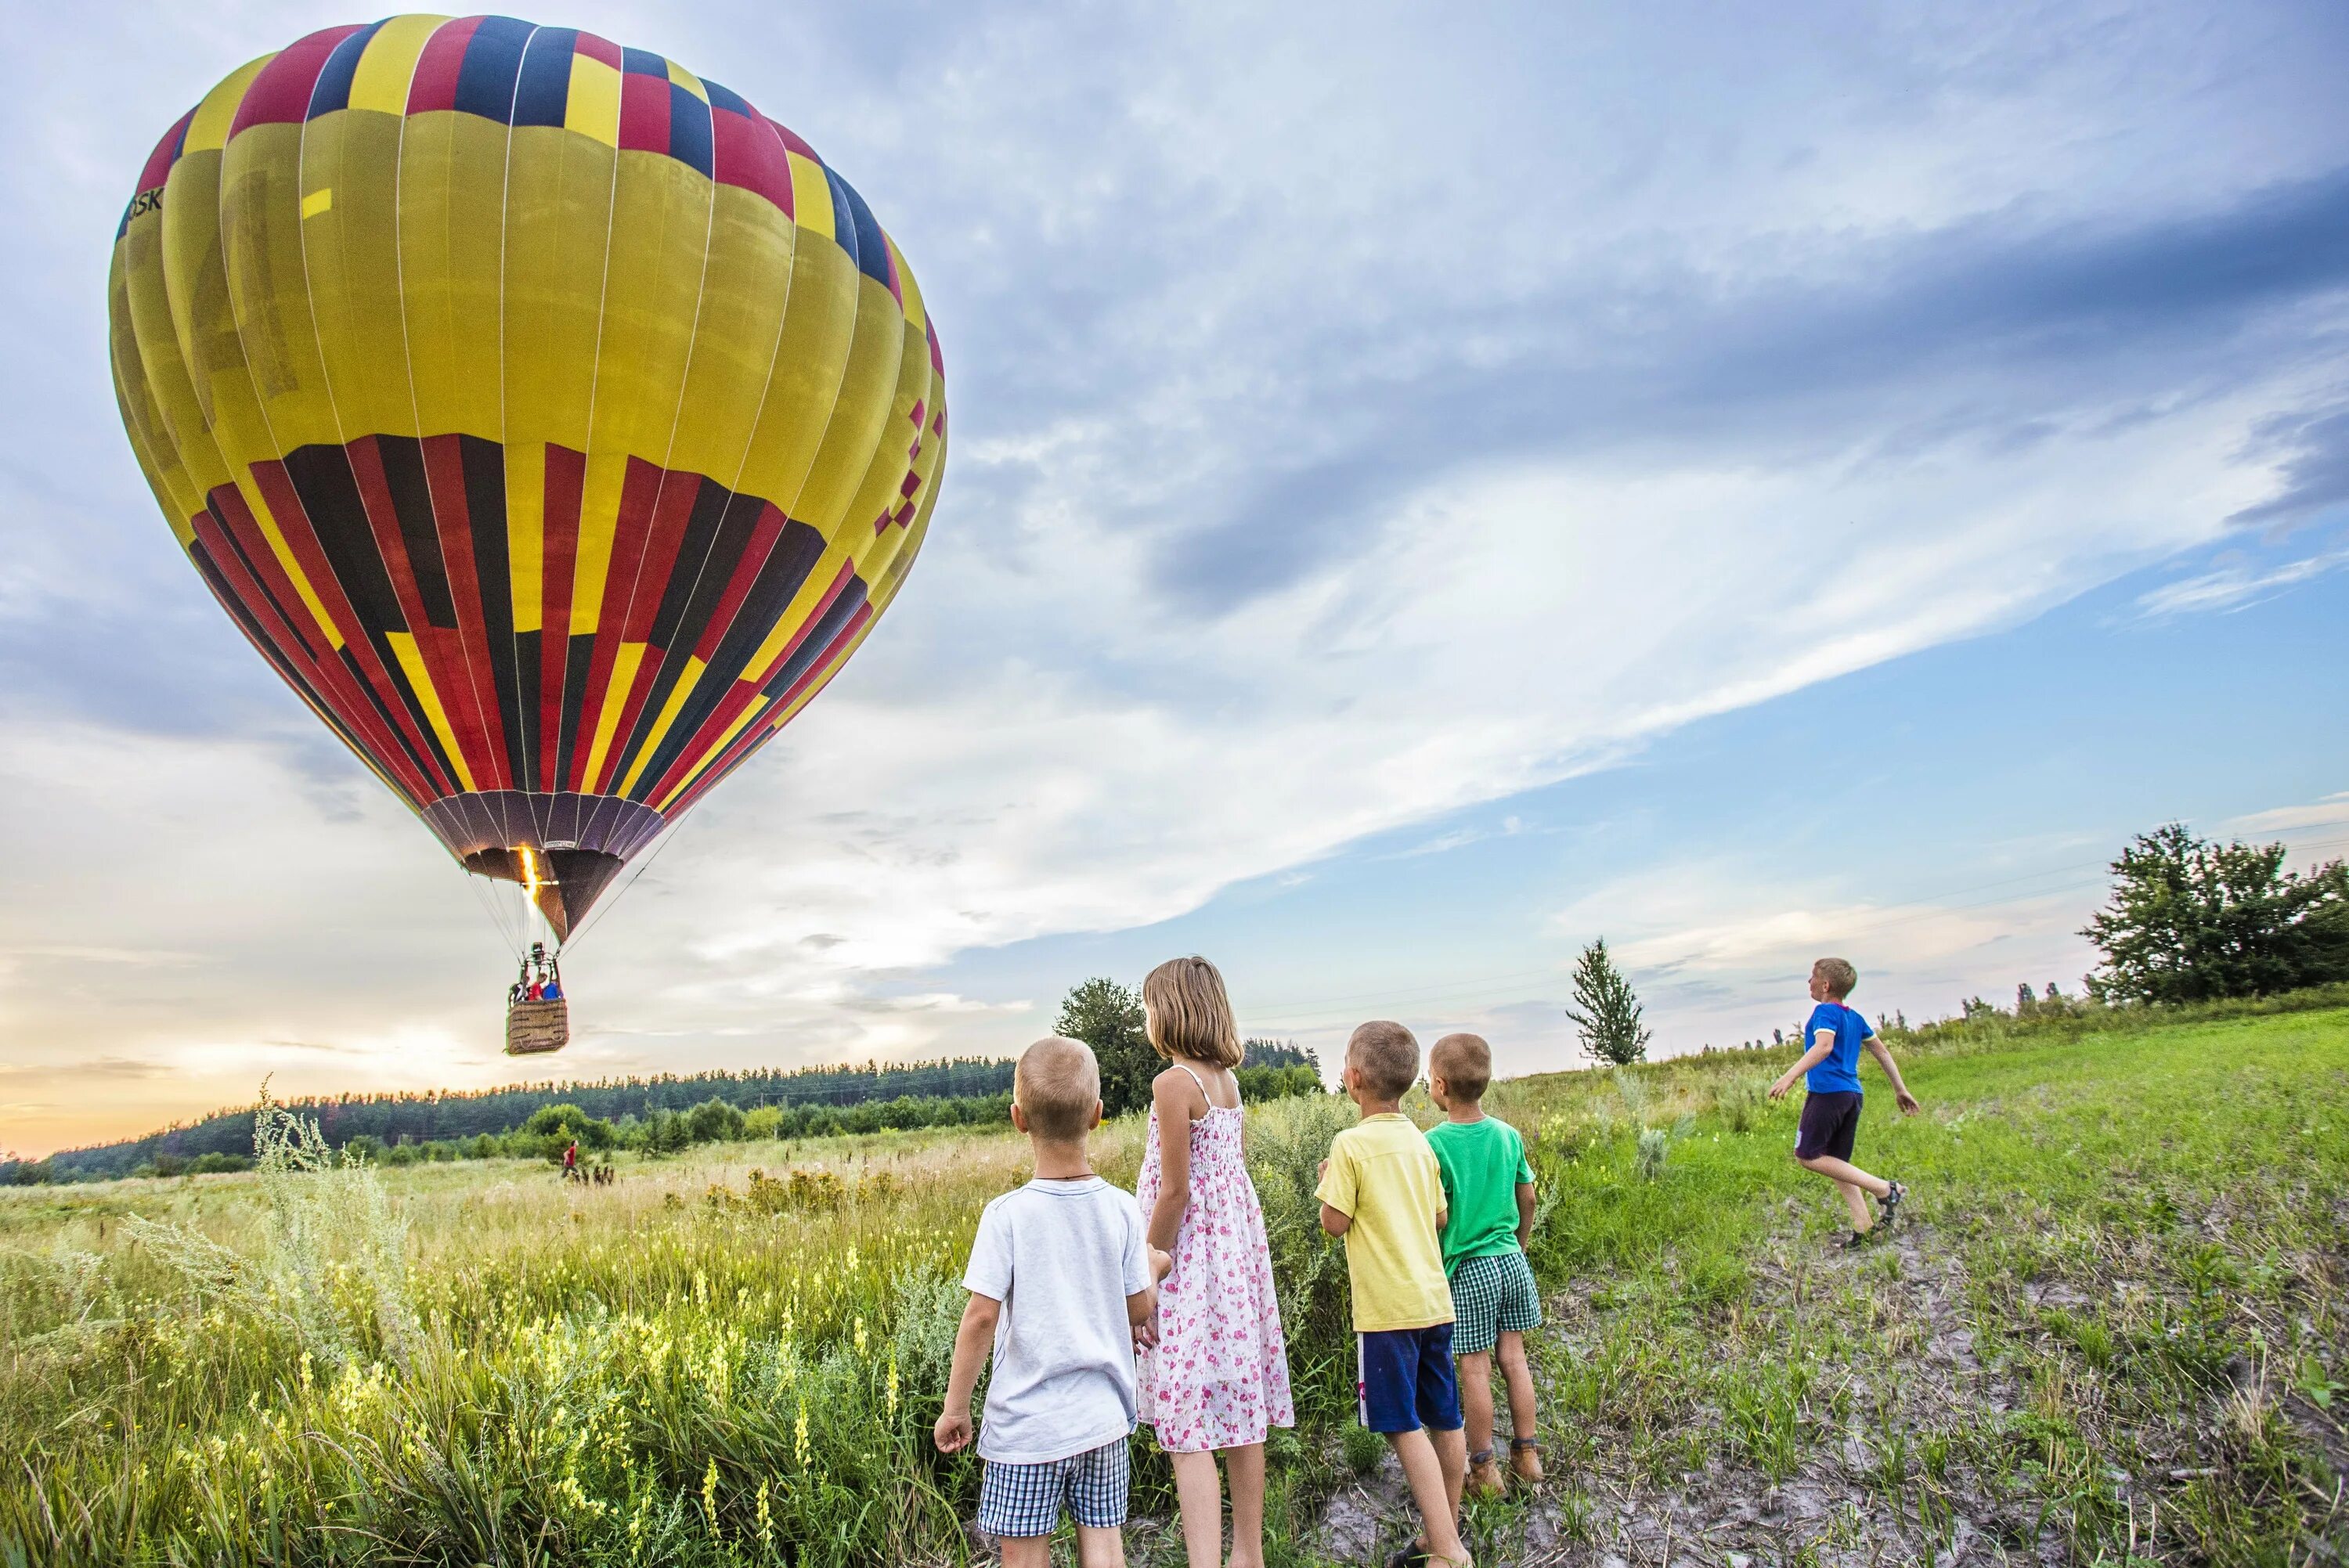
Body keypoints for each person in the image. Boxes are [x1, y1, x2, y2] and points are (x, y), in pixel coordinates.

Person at [935, 1036, 1171, 1568]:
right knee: (1105, 1545)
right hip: (1104, 1417)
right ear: (1097, 1114)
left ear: (1018, 1118)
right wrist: (1155, 1266)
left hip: (1027, 1428)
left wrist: (956, 1406)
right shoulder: (1121, 1209)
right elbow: (1138, 1308)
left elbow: (980, 1317)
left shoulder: (1007, 1215)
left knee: (1023, 1556)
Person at [1135, 956, 1295, 1568]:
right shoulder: (1225, 1079)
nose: (1147, 1018)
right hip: (1233, 1263)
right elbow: (1230, 1175)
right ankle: (1247, 1554)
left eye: (1150, 1007)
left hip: (1187, 1264)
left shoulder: (1173, 1083)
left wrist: (1146, 1267)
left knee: (1186, 1414)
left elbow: (1175, 1190)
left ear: (1169, 1011)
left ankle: (1207, 1560)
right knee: (1237, 1400)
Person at [1316, 1021, 1472, 1568]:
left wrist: (1328, 1179)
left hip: (1386, 1314)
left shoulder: (1349, 1145)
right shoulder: (1420, 1141)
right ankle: (1440, 1532)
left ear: (1354, 1078)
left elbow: (1334, 1222)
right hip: (1434, 1301)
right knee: (1444, 1419)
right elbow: (1438, 1216)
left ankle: (1450, 1550)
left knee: (1401, 1424)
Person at [1424, 1033, 1543, 1498]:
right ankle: (1528, 1456)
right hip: (1512, 1262)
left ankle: (1485, 1471)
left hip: (1470, 1270)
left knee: (1474, 1370)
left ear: (1439, 1085)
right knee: (1514, 1359)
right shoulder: (1508, 1135)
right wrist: (1521, 1243)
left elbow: (1437, 1214)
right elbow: (1528, 1197)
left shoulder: (1434, 1144)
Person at [1768, 957, 1921, 1249]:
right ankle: (1864, 1229)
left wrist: (1790, 1077)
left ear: (1825, 985)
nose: (1808, 982)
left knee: (1807, 1155)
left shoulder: (1825, 1012)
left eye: (1812, 977)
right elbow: (1883, 1052)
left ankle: (1885, 1189)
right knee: (1837, 1163)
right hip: (1853, 1095)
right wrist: (1900, 1089)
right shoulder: (1855, 1018)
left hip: (1828, 1095)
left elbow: (1823, 1046)